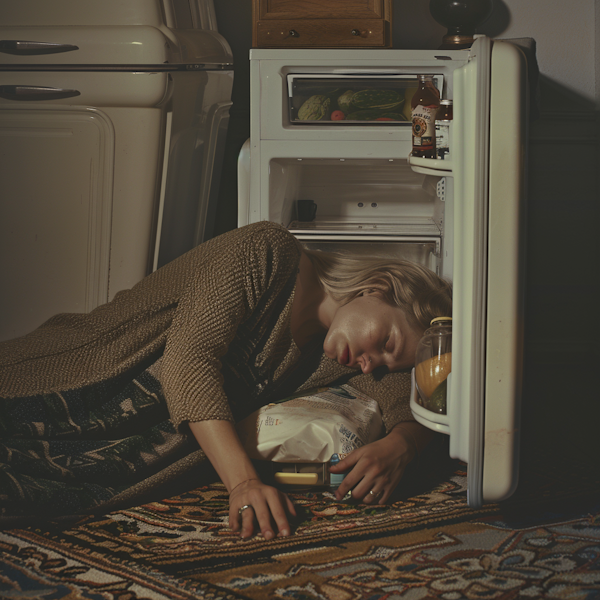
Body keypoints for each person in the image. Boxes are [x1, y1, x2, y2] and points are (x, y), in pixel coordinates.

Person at [0, 221, 451, 537]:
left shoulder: (337, 356)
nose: (371, 363)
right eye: (387, 342)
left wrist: (403, 444)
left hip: (110, 455)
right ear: (379, 287)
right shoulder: (268, 251)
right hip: (73, 382)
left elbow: (405, 399)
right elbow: (188, 361)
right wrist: (243, 483)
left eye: (387, 362)